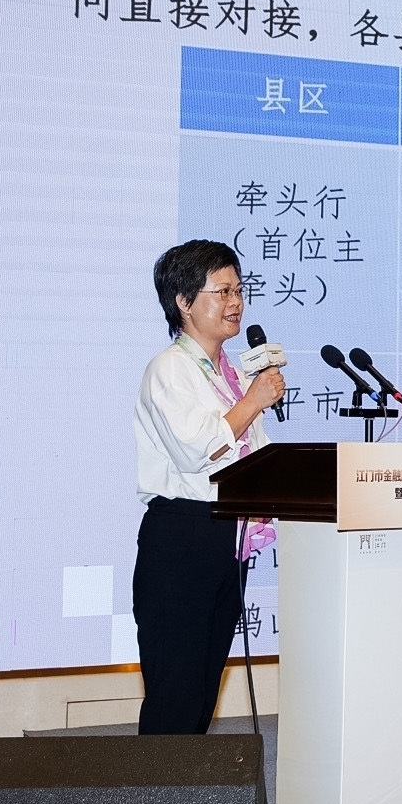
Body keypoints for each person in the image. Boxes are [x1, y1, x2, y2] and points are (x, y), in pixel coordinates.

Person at [132, 239, 286, 734]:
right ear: (183, 301)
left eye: (239, 290)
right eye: (222, 292)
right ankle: (157, 787)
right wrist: (254, 401)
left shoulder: (229, 373)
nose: (235, 302)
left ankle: (190, 786)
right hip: (182, 535)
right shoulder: (169, 369)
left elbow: (250, 449)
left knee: (202, 689)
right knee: (176, 688)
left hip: (227, 536)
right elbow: (196, 451)